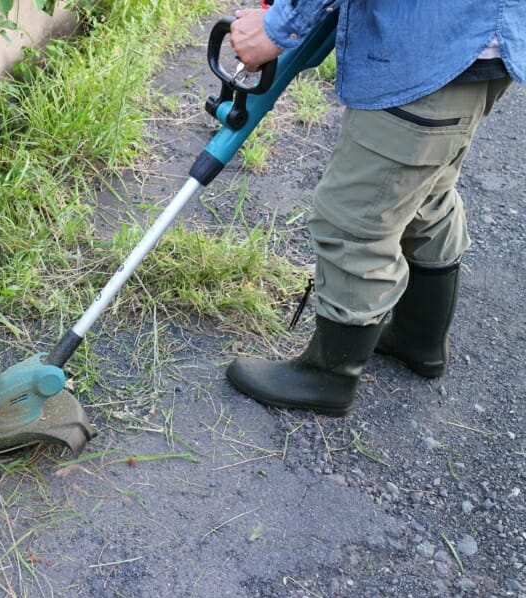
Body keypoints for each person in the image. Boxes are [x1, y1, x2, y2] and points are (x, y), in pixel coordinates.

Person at [224, 1, 526, 416]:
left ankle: (328, 375)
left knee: (355, 221)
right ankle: (419, 340)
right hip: (478, 43)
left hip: (426, 50)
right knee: (424, 196)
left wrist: (278, 28)